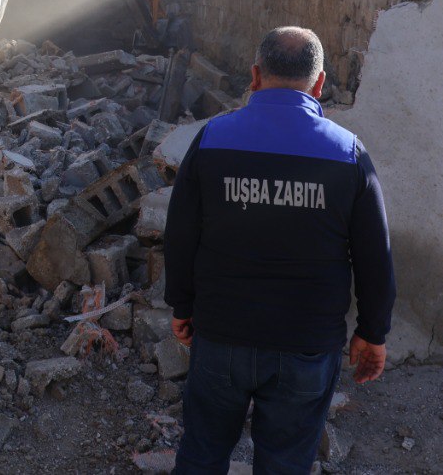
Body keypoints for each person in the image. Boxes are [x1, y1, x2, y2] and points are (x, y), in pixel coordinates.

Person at [164, 26, 396, 474]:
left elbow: (181, 234)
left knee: (202, 454)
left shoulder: (212, 139)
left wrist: (182, 305)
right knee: (286, 463)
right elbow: (375, 256)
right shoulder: (348, 154)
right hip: (307, 345)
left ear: (254, 76)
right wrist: (373, 331)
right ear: (320, 83)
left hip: (222, 334)